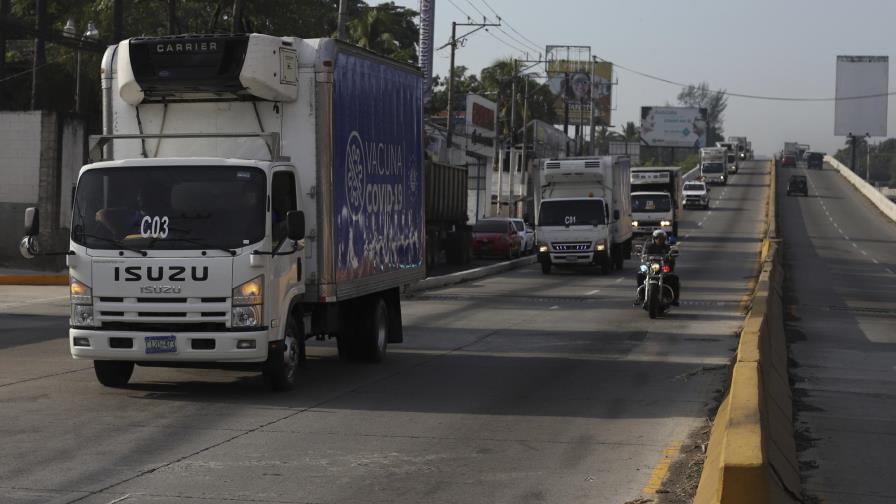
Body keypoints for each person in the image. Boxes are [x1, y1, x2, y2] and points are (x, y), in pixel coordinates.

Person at [634, 229, 680, 306]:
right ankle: (641, 297)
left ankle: (674, 299)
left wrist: (671, 257)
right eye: (657, 238)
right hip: (651, 268)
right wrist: (641, 256)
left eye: (661, 238)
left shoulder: (667, 248)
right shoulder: (649, 247)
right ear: (654, 239)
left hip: (663, 269)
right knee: (640, 275)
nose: (659, 240)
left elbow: (672, 258)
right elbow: (644, 257)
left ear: (664, 239)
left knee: (674, 278)